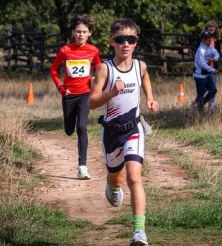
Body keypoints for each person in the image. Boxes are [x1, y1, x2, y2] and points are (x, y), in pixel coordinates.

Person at [88, 18, 159, 245]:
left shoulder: (140, 66)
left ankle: (139, 232)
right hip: (111, 132)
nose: (125, 44)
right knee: (117, 179)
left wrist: (149, 98)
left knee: (134, 177)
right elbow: (91, 102)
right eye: (120, 40)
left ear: (136, 42)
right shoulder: (104, 69)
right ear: (113, 42)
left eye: (130, 39)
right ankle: (111, 184)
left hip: (133, 128)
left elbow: (145, 76)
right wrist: (111, 93)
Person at [50, 14, 102, 179]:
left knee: (82, 127)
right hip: (69, 95)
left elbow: (100, 67)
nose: (81, 34)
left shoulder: (93, 51)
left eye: (84, 32)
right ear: (73, 32)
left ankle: (82, 166)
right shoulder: (65, 50)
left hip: (85, 95)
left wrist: (97, 77)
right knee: (69, 130)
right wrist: (60, 87)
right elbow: (53, 69)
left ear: (89, 34)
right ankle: (68, 126)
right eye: (78, 31)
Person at [192, 30, 219, 112]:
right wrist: (212, 70)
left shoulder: (210, 48)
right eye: (208, 40)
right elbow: (202, 64)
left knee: (213, 90)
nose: (210, 42)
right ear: (203, 40)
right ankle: (200, 113)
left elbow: (216, 53)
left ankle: (201, 104)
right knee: (200, 94)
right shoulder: (201, 50)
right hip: (199, 76)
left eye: (211, 40)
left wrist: (215, 58)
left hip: (206, 75)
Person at [203, 20, 222, 113]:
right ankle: (199, 104)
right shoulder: (202, 39)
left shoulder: (216, 41)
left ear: (216, 29)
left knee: (213, 89)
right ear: (206, 28)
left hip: (213, 68)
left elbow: (219, 54)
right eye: (209, 27)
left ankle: (211, 109)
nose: (211, 29)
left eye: (213, 27)